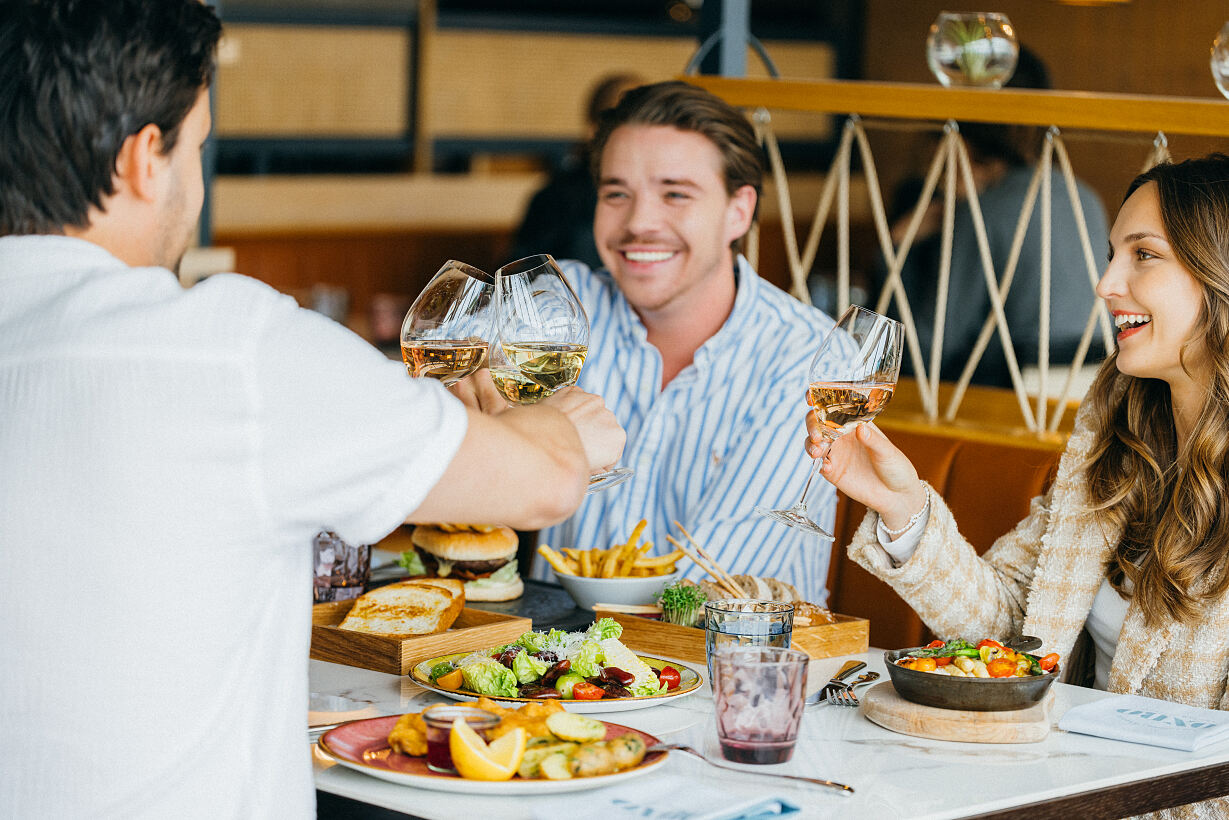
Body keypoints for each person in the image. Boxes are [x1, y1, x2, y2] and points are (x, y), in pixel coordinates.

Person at [0, 2, 623, 818]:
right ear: (145, 159)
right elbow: (543, 483)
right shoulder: (228, 349)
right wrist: (551, 423)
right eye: (198, 146)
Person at [813, 154, 1229, 818]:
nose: (1105, 282)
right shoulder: (1111, 434)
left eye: (1142, 255)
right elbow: (1012, 630)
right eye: (1110, 253)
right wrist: (900, 506)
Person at [462, 81, 840, 603]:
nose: (638, 223)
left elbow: (716, 586)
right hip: (553, 666)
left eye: (675, 194)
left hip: (737, 670)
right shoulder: (565, 308)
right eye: (617, 194)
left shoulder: (807, 357)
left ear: (739, 210)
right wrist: (480, 402)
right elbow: (430, 375)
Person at [880, 45, 1109, 388]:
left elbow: (928, 348)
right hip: (1098, 387)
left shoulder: (984, 212)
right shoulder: (1084, 196)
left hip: (1017, 394)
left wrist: (897, 248)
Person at [508, 72, 644, 269]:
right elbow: (519, 278)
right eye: (629, 121)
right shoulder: (555, 198)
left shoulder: (665, 194)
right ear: (594, 129)